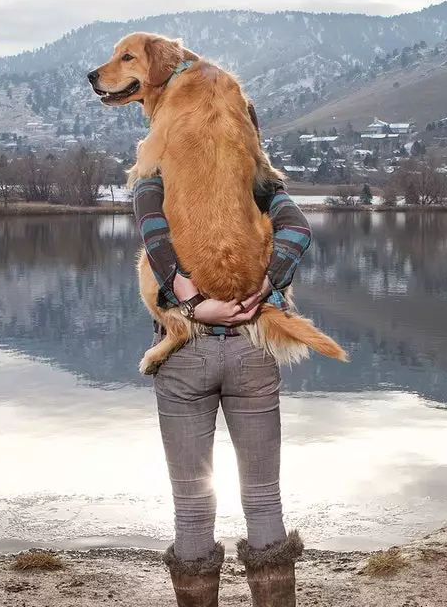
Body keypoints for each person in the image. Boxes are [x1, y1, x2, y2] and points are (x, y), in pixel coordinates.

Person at [132, 166, 312, 607]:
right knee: (264, 500)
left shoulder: (162, 175)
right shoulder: (258, 181)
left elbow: (150, 226)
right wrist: (267, 288)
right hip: (252, 348)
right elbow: (298, 229)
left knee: (192, 507)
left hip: (184, 354)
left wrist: (191, 305)